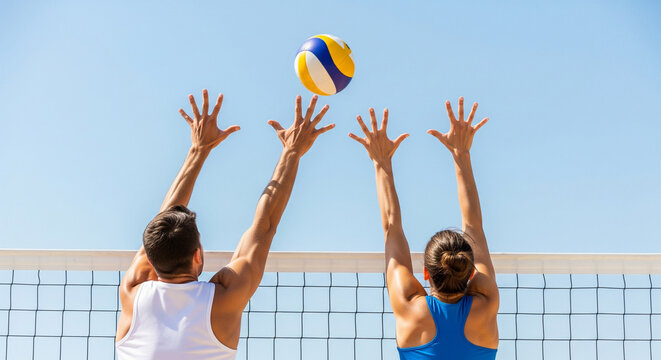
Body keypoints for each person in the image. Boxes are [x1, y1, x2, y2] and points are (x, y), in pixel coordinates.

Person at [115, 90, 334, 359]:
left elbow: (162, 223)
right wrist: (292, 151)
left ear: (149, 256)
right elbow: (263, 227)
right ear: (198, 254)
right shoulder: (221, 300)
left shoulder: (132, 293)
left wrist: (197, 151)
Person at [348, 97, 498, 359]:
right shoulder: (486, 304)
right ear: (470, 270)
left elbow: (391, 227)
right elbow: (474, 226)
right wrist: (461, 153)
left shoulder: (410, 308)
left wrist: (381, 162)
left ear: (426, 273)